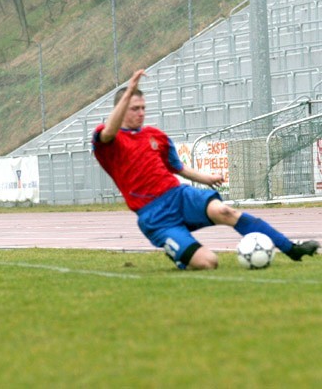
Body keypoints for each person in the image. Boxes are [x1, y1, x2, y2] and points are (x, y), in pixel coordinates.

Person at [92, 69, 320, 270]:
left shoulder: (156, 136)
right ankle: (181, 255)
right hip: (154, 216)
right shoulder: (107, 140)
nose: (141, 113)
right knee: (209, 263)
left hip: (179, 196)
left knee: (225, 212)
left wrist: (206, 178)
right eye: (134, 108)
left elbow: (178, 168)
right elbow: (109, 132)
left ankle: (291, 249)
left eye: (143, 108)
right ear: (121, 110)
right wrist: (131, 87)